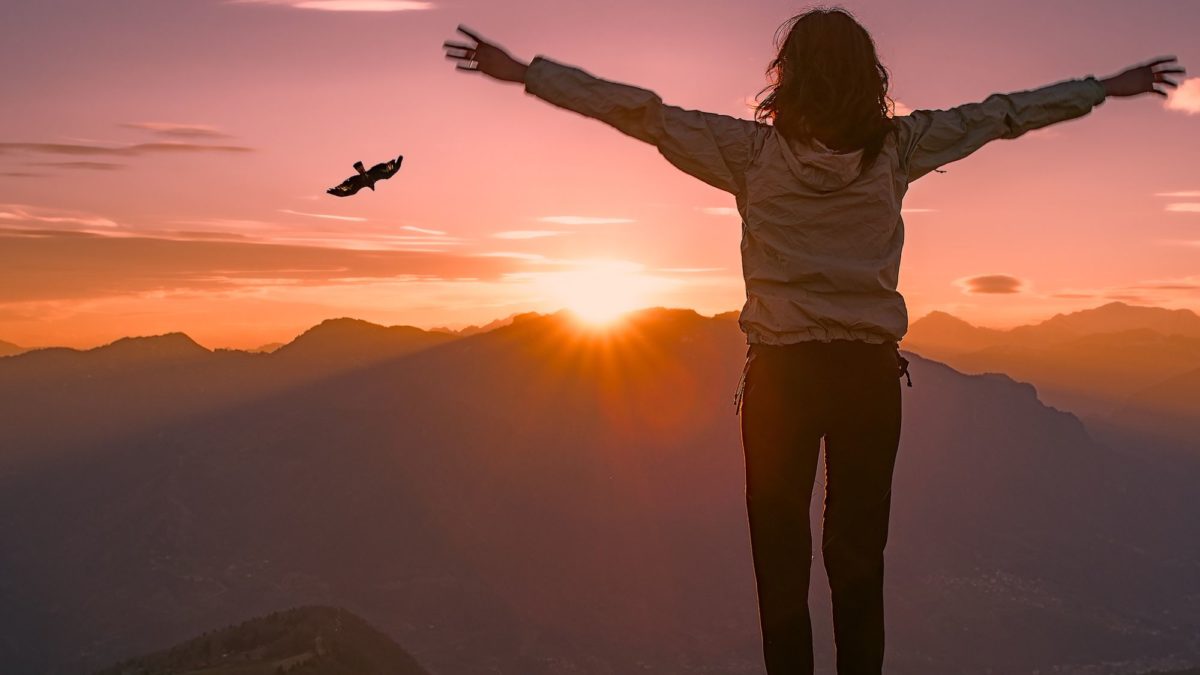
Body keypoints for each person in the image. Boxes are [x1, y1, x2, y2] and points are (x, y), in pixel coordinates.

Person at [443, 8, 1183, 674]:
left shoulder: (749, 154)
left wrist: (527, 75)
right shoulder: (899, 148)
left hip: (781, 382)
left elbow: (643, 115)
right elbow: (1002, 116)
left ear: (786, 77)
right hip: (866, 380)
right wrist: (1104, 86)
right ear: (871, 78)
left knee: (780, 564)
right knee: (858, 563)